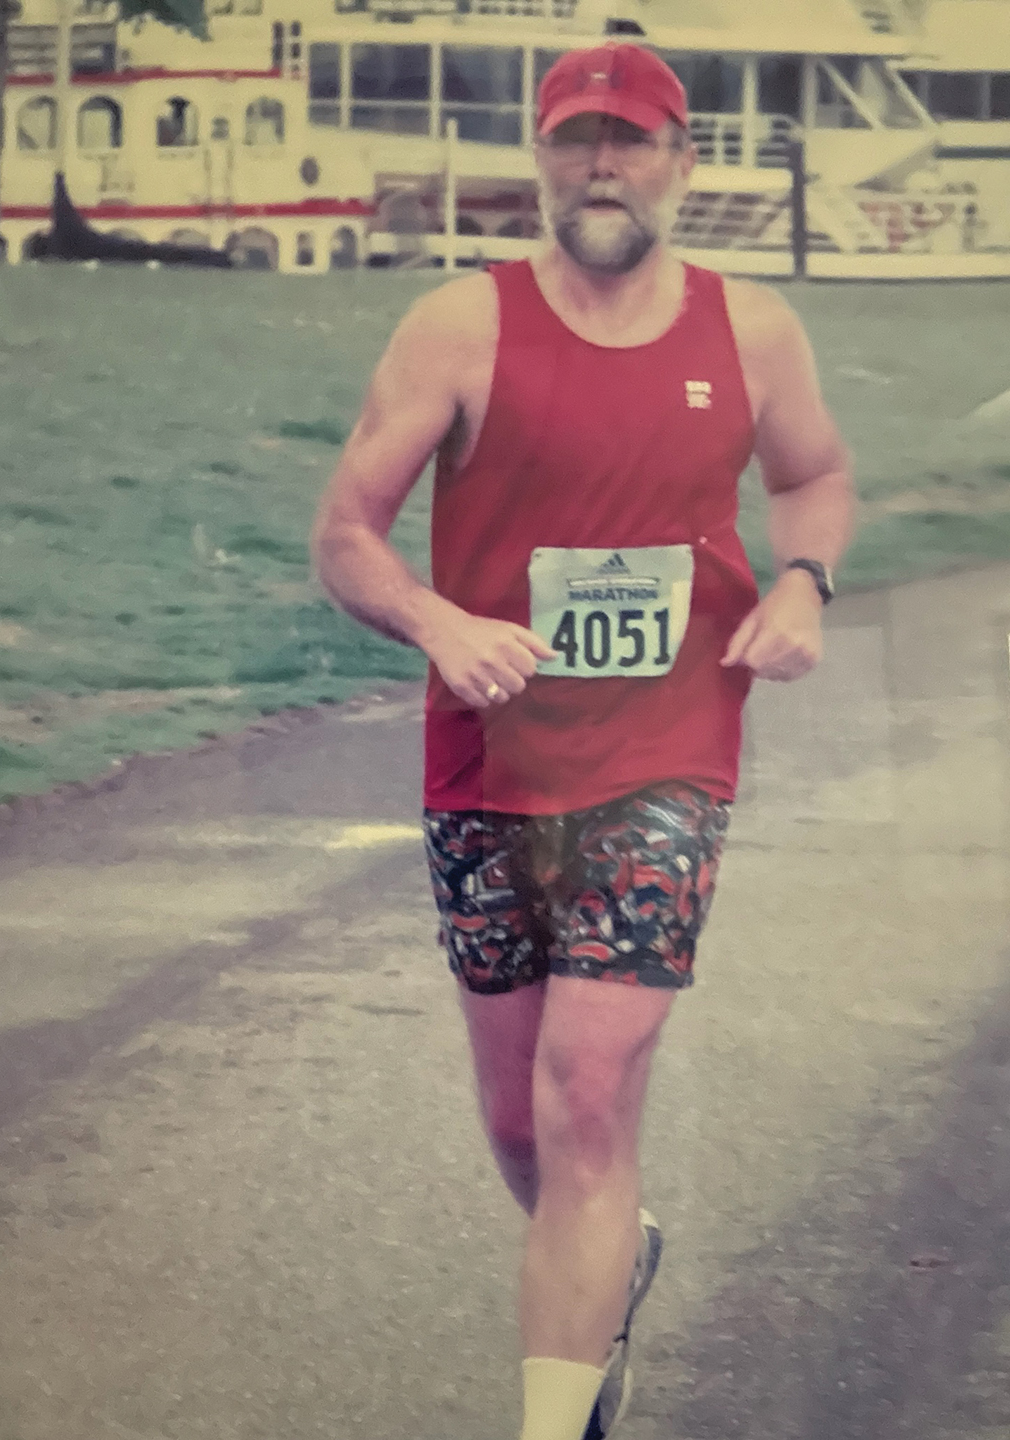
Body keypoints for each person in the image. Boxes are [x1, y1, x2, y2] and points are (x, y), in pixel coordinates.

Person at [312, 42, 856, 1440]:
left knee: (590, 1087)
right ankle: (619, 1243)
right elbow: (345, 535)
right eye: (574, 143)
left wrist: (805, 582)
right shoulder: (459, 326)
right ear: (541, 161)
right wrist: (438, 623)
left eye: (629, 142)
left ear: (681, 161)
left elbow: (813, 475)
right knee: (524, 1129)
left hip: (670, 751)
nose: (601, 166)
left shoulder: (753, 332)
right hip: (486, 759)